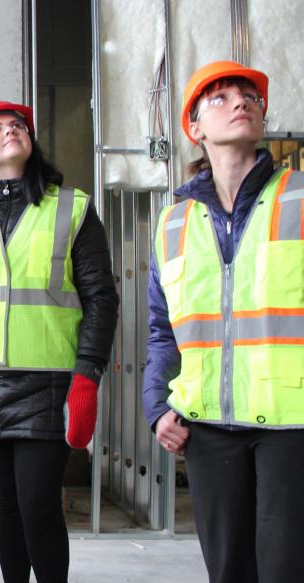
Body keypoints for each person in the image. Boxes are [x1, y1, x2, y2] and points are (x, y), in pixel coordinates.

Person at [0, 101, 118, 583]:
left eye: (17, 126)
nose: (9, 132)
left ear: (30, 144)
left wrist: (88, 374)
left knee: (38, 507)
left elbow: (102, 297)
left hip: (48, 382)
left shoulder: (70, 207)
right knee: (6, 508)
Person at [143, 61, 304, 583]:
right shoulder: (172, 221)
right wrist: (156, 405)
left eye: (250, 97)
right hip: (208, 427)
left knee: (286, 568)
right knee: (228, 571)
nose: (241, 103)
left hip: (292, 425)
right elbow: (164, 329)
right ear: (195, 128)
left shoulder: (299, 199)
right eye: (221, 97)